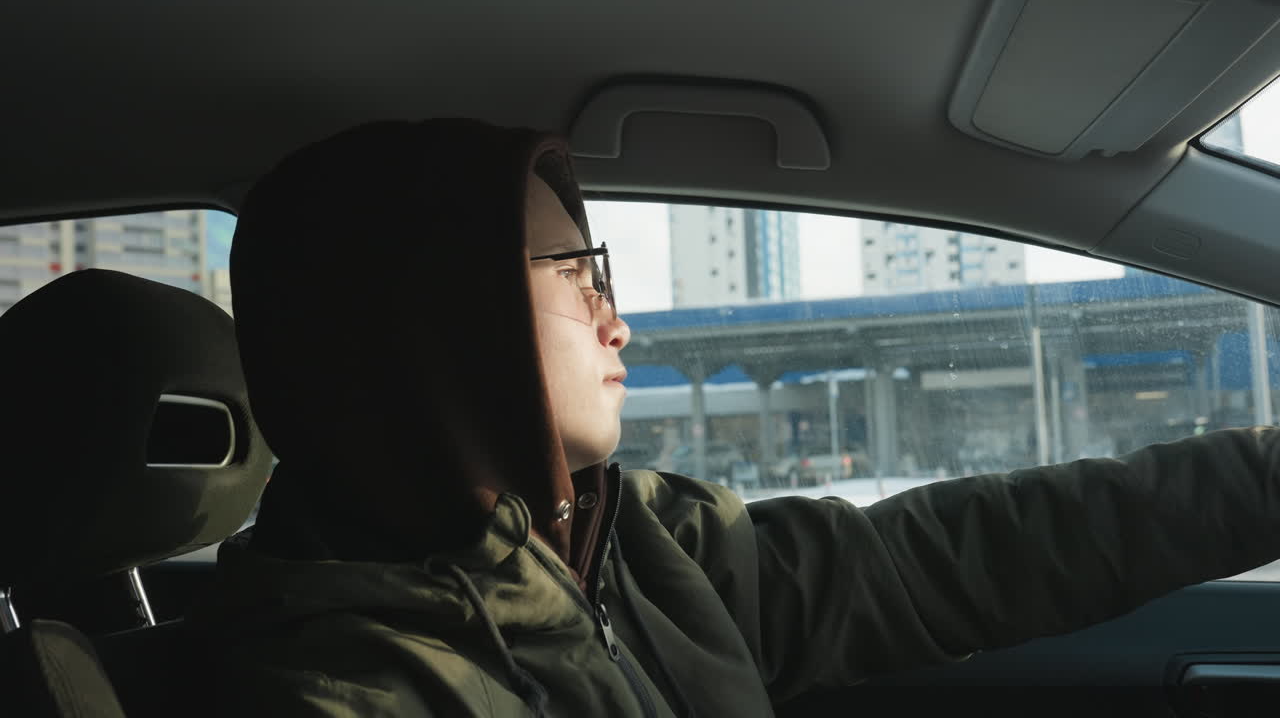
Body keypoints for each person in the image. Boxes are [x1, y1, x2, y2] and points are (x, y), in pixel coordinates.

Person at [187, 118, 1280, 717]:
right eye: (579, 278)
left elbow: (950, 558)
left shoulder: (620, 542)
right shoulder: (351, 691)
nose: (619, 327)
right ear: (438, 323)